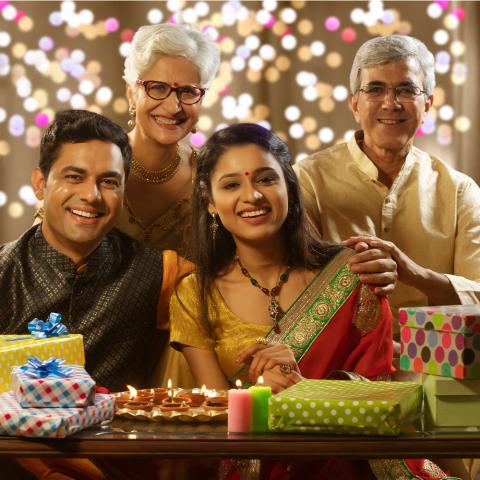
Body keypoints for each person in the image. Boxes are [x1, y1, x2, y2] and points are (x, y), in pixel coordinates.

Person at [169, 124, 452, 479]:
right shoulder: (195, 294)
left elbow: (379, 397)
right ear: (210, 202)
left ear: (289, 186)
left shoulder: (353, 274)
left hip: (350, 466)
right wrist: (260, 394)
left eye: (266, 179)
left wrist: (307, 392)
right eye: (231, 185)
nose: (252, 196)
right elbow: (217, 415)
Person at [294, 35, 480, 335]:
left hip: (435, 364)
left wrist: (414, 274)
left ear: (427, 104)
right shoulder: (309, 179)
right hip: (341, 365)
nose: (391, 103)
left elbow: (478, 294)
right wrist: (343, 270)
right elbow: (291, 287)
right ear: (355, 103)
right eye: (375, 89)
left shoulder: (460, 191)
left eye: (406, 90)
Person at [0, 109, 164, 393]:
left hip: (122, 434)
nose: (92, 195)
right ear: (41, 184)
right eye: (75, 177)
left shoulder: (156, 271)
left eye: (109, 182)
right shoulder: (5, 271)